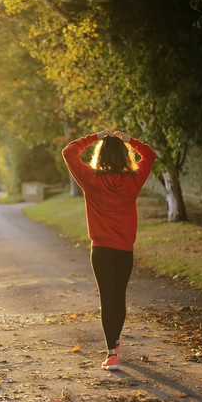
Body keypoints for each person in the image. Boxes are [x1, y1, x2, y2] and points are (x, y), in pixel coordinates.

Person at [62, 129, 157, 371]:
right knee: (119, 297)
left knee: (107, 298)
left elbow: (69, 151)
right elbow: (149, 155)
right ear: (124, 156)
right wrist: (130, 140)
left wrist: (94, 137)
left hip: (101, 251)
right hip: (124, 250)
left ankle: (112, 353)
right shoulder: (133, 180)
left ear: (100, 156)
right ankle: (115, 343)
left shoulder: (91, 179)